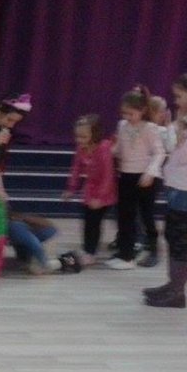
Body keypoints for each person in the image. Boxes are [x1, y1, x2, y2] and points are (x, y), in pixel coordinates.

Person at [142, 71, 187, 308]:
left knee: (178, 238)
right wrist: (177, 125)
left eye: (180, 96)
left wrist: (179, 129)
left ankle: (177, 292)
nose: (176, 101)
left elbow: (183, 154)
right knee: (172, 235)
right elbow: (171, 146)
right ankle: (173, 284)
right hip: (178, 184)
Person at [106, 85, 166, 270]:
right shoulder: (122, 125)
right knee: (125, 216)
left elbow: (159, 153)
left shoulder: (150, 128)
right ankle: (126, 254)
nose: (127, 117)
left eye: (131, 113)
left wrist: (150, 172)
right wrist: (108, 151)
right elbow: (120, 149)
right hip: (126, 176)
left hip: (145, 178)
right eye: (124, 113)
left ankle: (153, 250)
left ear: (143, 110)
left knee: (147, 215)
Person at [62, 114, 117, 266]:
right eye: (77, 136)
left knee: (94, 222)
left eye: (83, 137)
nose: (79, 140)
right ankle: (88, 250)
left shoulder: (103, 148)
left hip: (104, 192)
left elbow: (108, 175)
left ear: (95, 134)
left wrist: (100, 197)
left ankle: (91, 252)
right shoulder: (81, 148)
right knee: (88, 221)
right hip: (90, 191)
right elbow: (76, 169)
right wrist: (71, 188)